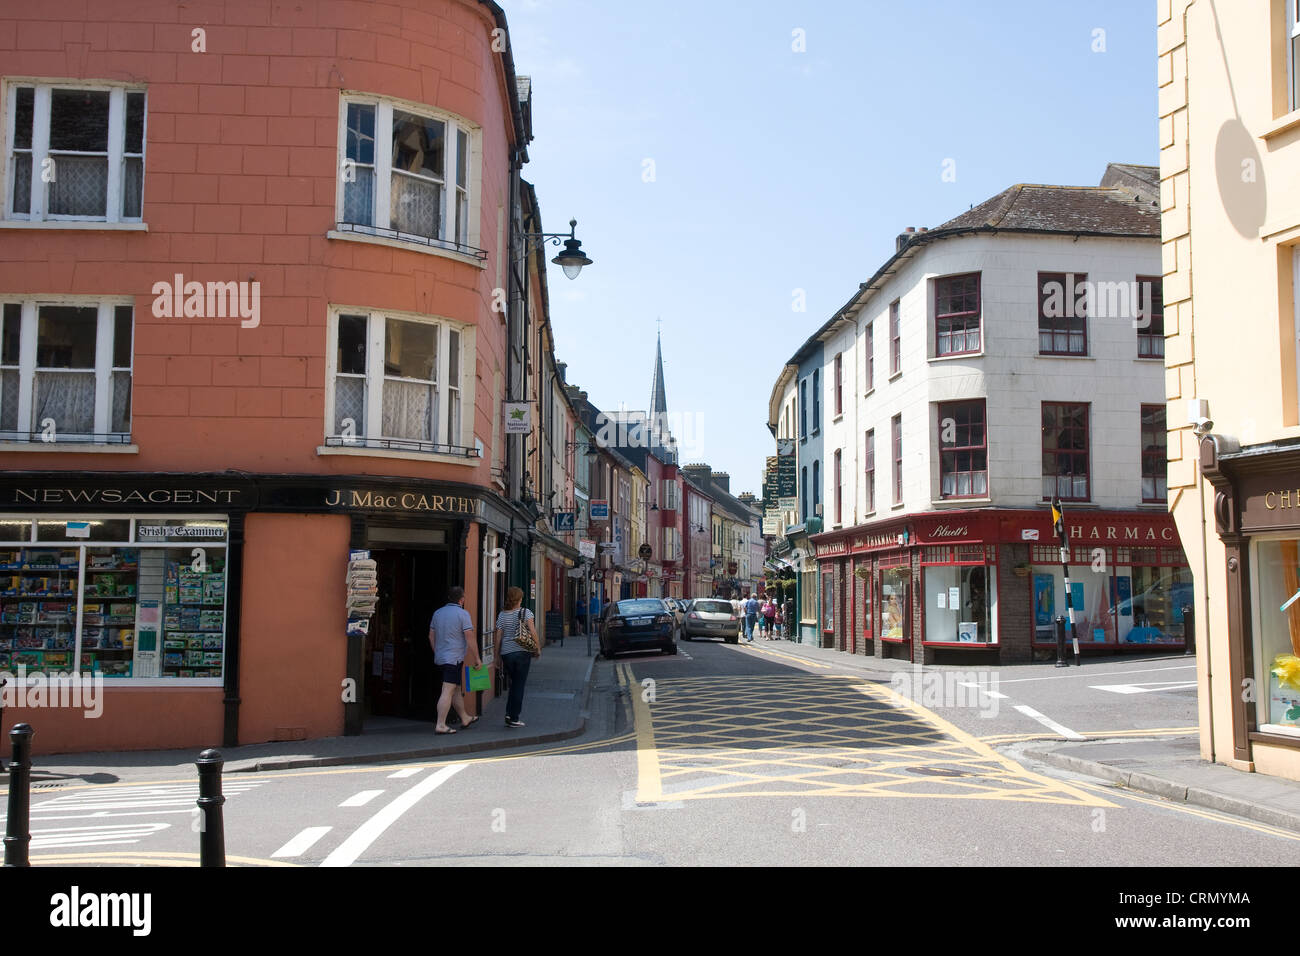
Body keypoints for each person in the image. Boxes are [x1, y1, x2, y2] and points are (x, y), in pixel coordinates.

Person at [429, 585, 480, 735]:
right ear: (461, 599)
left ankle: (464, 717)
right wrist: (477, 658)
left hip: (441, 658)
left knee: (456, 689)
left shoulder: (438, 613)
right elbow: (469, 637)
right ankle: (441, 724)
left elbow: (431, 636)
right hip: (454, 659)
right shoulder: (463, 614)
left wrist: (437, 651)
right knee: (447, 691)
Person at [494, 586, 542, 729]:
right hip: (521, 652)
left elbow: (498, 636)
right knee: (518, 685)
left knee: (514, 684)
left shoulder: (502, 615)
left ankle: (509, 714)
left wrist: (496, 656)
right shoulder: (526, 612)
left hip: (506, 654)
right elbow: (532, 631)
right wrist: (537, 648)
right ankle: (514, 718)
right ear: (519, 599)